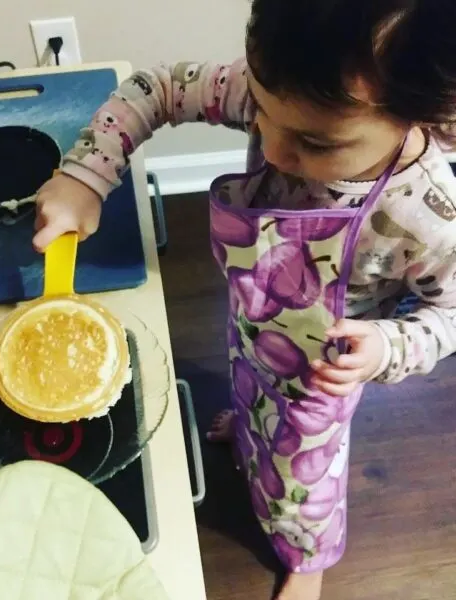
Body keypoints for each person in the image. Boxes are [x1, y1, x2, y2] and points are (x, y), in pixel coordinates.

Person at [32, 1, 456, 598]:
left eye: (313, 141)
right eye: (259, 110)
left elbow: (450, 315)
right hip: (255, 321)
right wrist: (86, 175)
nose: (273, 149)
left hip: (320, 377)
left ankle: (309, 558)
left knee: (302, 484)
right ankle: (253, 431)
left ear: (424, 117)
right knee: (248, 389)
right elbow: (155, 89)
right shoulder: (284, 96)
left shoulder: (430, 217)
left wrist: (387, 346)